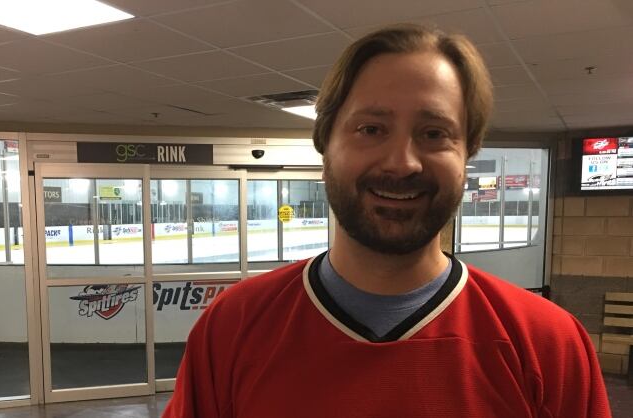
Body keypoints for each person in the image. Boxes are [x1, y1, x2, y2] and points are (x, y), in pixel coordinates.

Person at [163, 24, 611, 418]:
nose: (402, 162)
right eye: (371, 129)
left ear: (466, 154)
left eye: (434, 134)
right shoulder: (233, 326)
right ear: (326, 147)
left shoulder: (547, 342)